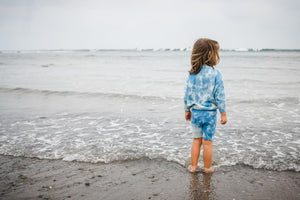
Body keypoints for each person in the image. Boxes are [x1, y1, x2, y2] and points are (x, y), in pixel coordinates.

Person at [184, 38, 227, 173]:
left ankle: (193, 166)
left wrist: (187, 109)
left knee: (196, 140)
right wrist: (223, 113)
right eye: (216, 53)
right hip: (210, 114)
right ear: (210, 55)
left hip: (196, 113)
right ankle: (207, 168)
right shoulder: (215, 74)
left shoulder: (193, 73)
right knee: (207, 143)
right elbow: (220, 95)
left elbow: (188, 93)